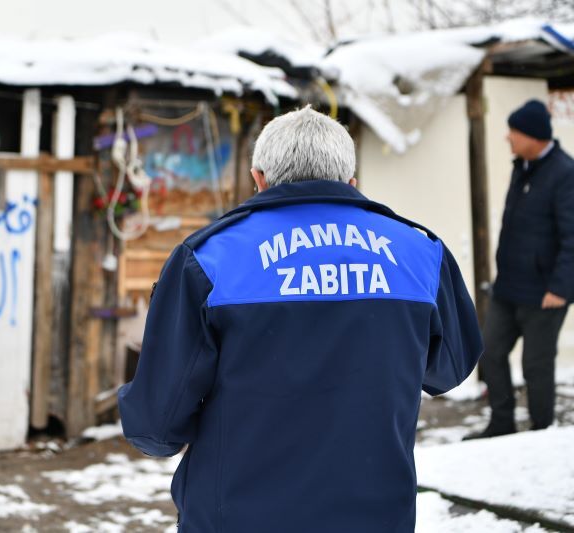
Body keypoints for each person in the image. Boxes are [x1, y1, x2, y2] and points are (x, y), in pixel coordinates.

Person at [118, 106, 482, 532]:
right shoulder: (421, 254)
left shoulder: (209, 259)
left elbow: (157, 426)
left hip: (238, 516)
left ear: (258, 179)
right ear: (351, 182)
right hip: (375, 515)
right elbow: (449, 369)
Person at [465, 99, 574, 440]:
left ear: (533, 135)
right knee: (489, 352)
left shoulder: (565, 173)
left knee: (535, 366)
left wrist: (560, 288)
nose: (507, 137)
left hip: (545, 293)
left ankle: (541, 434)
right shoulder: (522, 166)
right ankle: (502, 423)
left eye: (513, 131)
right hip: (509, 288)